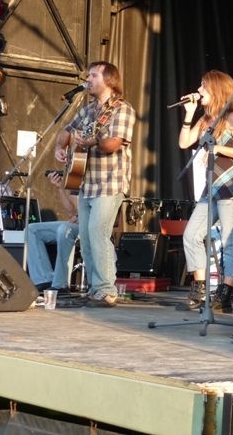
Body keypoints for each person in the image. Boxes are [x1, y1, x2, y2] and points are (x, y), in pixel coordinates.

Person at [54, 61, 136, 308]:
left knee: (99, 233)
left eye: (93, 75)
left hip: (110, 182)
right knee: (88, 238)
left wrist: (92, 141)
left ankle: (107, 290)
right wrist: (60, 147)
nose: (87, 79)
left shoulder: (123, 109)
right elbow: (66, 131)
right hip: (86, 183)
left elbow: (113, 144)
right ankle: (95, 289)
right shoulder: (88, 110)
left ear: (108, 80)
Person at [177, 70, 233, 312]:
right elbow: (184, 142)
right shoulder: (205, 119)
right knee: (191, 235)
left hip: (230, 186)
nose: (199, 90)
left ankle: (226, 292)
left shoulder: (230, 118)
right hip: (211, 188)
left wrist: (219, 149)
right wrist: (189, 114)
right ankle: (200, 289)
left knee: (230, 242)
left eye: (203, 86)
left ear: (216, 90)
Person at [26, 171, 79, 294]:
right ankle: (44, 280)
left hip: (90, 224)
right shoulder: (76, 176)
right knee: (31, 230)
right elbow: (72, 211)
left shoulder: (96, 177)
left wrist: (80, 216)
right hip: (76, 223)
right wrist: (59, 187)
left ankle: (60, 284)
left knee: (64, 229)